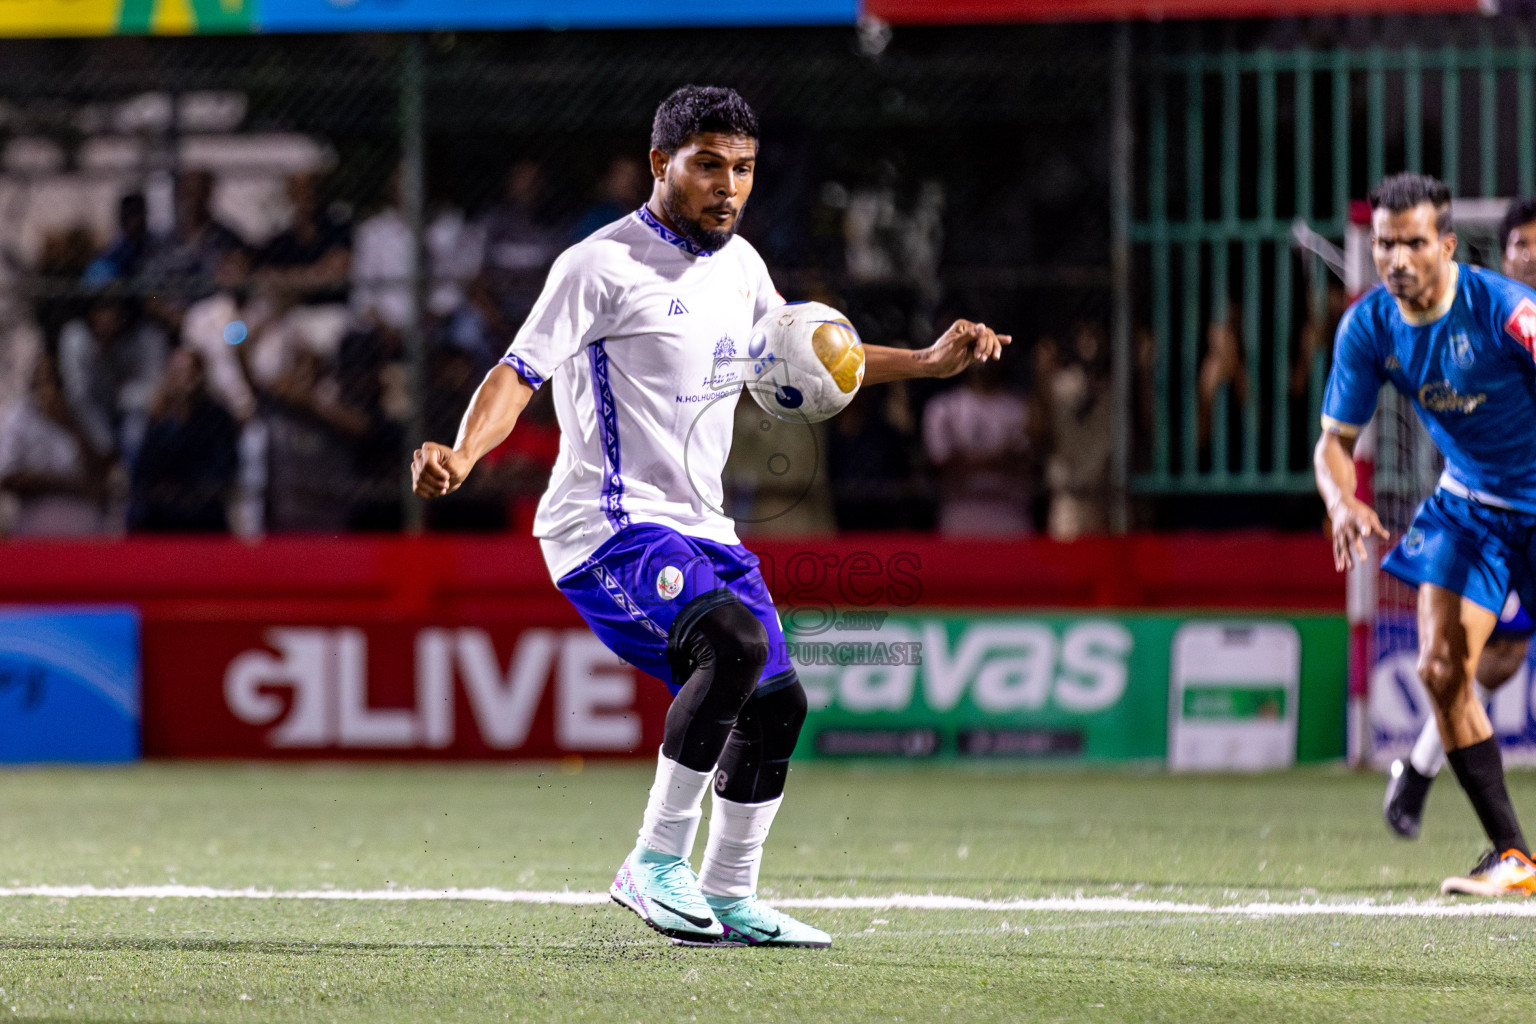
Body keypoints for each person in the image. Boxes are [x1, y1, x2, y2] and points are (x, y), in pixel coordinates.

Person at [411, 86, 1009, 946]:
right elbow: (517, 373)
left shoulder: (741, 267)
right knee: (729, 643)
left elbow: (816, 353)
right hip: (607, 527)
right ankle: (652, 863)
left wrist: (923, 360)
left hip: (703, 528)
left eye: (744, 169)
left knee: (778, 704)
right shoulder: (599, 265)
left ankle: (730, 891)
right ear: (662, 165)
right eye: (708, 166)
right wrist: (464, 455)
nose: (728, 186)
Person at [1317, 172, 1536, 896]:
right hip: (1471, 504)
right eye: (1385, 244)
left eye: (1414, 242)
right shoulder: (1368, 325)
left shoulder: (1506, 311)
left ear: (1446, 244)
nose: (1397, 258)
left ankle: (1416, 772)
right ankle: (1512, 854)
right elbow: (1334, 444)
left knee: (1495, 662)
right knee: (1442, 669)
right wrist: (1341, 501)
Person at [1384, 195, 1536, 839]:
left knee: (1487, 662)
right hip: (1493, 515)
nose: (1530, 257)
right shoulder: (1481, 314)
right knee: (1480, 660)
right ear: (1502, 254)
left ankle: (1418, 775)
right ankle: (1429, 782)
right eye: (1521, 246)